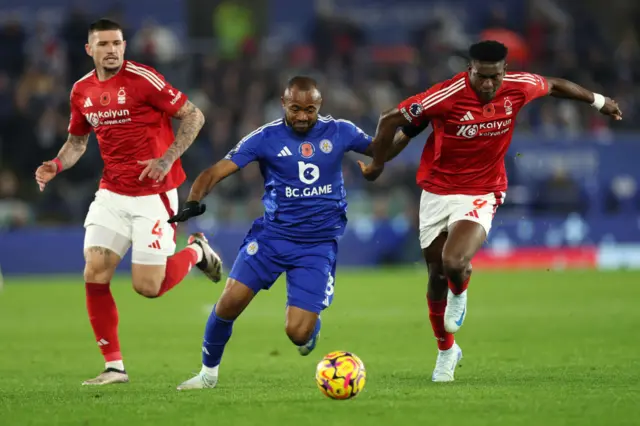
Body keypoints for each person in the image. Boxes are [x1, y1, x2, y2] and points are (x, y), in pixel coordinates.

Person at [358, 40, 623, 382]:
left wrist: (599, 101)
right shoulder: (445, 96)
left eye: (494, 77)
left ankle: (461, 291)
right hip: (437, 192)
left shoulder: (519, 87)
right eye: (481, 76)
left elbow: (554, 85)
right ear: (470, 70)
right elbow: (392, 119)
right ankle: (446, 351)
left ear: (504, 71)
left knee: (454, 262)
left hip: (481, 191)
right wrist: (378, 162)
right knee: (436, 277)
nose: (487, 84)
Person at [167, 76, 408, 390]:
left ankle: (311, 327)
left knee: (297, 333)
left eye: (310, 109)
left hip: (317, 247)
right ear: (283, 104)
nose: (303, 116)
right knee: (228, 304)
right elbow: (216, 171)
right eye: (296, 108)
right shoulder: (265, 137)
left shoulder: (340, 130)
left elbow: (381, 149)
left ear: (319, 106)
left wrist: (408, 131)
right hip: (272, 238)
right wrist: (194, 200)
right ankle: (207, 375)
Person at [34, 19, 222, 386]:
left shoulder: (143, 79)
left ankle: (197, 251)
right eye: (104, 44)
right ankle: (114, 367)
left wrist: (167, 158)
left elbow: (194, 115)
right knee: (95, 271)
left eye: (117, 43)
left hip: (155, 194)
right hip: (112, 193)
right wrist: (55, 165)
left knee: (147, 287)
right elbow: (77, 143)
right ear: (90, 50)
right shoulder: (81, 91)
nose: (113, 50)